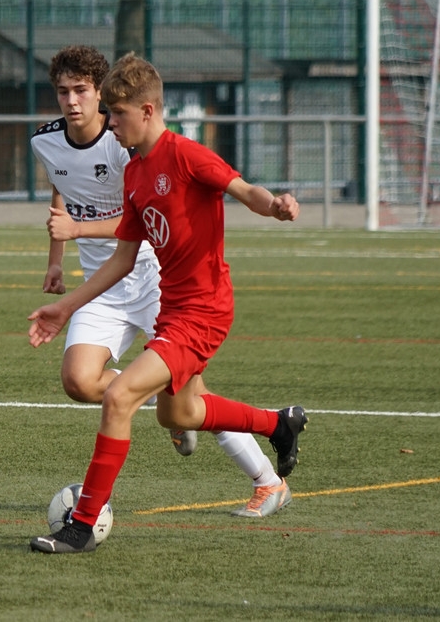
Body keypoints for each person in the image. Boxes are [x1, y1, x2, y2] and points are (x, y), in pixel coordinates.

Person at [27, 53, 307, 554]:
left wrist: (276, 206)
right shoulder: (136, 174)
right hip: (172, 309)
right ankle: (278, 424)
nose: (112, 123)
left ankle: (82, 525)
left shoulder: (186, 155)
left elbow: (245, 190)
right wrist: (65, 307)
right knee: (179, 413)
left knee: (119, 397)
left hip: (203, 311)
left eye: (117, 113)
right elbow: (121, 259)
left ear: (148, 110)